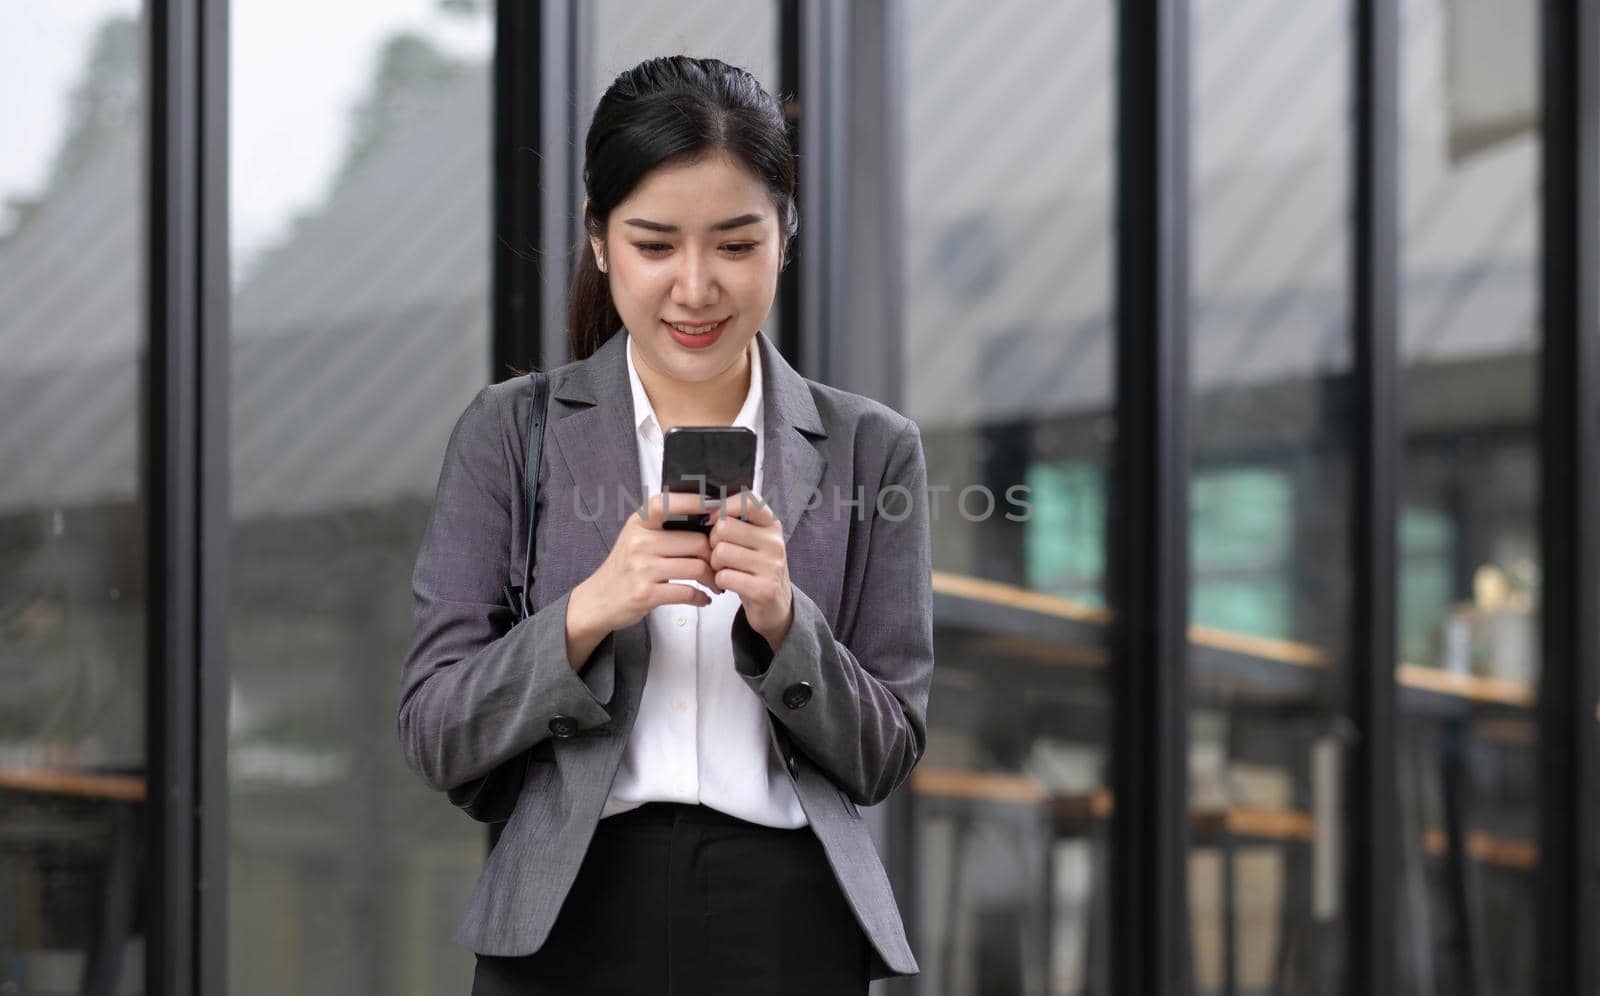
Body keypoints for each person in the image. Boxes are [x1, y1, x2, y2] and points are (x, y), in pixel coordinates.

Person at [397, 55, 934, 995]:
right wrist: (588, 611)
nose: (695, 287)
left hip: (790, 922)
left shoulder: (871, 449)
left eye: (735, 244)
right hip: (568, 919)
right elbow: (437, 730)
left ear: (784, 239)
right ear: (600, 243)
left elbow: (887, 750)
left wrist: (785, 623)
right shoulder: (508, 431)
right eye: (654, 245)